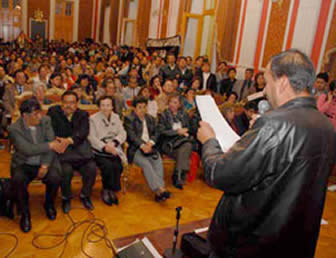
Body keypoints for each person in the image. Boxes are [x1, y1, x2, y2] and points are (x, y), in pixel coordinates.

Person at [197, 49, 336, 258]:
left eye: (268, 82)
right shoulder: (326, 126)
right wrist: (259, 134)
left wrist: (209, 141)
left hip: (253, 241)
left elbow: (220, 174)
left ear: (282, 83)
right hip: (293, 241)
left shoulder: (274, 125)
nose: (264, 91)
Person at [8, 98, 63, 232]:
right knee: (18, 180)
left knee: (55, 177)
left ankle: (49, 204)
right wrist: (49, 145)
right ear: (25, 116)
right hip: (24, 162)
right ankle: (25, 213)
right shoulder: (14, 128)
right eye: (35, 114)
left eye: (40, 112)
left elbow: (53, 148)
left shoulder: (46, 121)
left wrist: (44, 165)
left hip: (45, 160)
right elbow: (27, 149)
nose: (40, 116)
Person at [47, 91, 97, 213]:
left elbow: (83, 133)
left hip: (80, 152)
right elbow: (50, 131)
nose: (68, 106)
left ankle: (85, 195)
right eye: (66, 102)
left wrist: (68, 140)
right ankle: (66, 198)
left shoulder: (83, 114)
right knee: (66, 171)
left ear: (77, 104)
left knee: (91, 168)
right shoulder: (53, 112)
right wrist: (63, 140)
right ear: (61, 103)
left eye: (72, 103)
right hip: (62, 152)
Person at [124, 97, 170, 202]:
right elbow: (132, 136)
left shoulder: (151, 119)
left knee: (157, 161)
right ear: (134, 109)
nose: (142, 110)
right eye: (139, 107)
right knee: (146, 164)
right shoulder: (129, 119)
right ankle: (160, 189)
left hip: (150, 147)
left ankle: (159, 191)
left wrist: (150, 143)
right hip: (135, 149)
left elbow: (157, 133)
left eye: (144, 107)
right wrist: (142, 146)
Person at [88, 96, 126, 205]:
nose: (105, 108)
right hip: (99, 149)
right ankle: (106, 190)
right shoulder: (93, 119)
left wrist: (115, 142)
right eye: (103, 105)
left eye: (108, 105)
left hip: (113, 146)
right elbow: (91, 138)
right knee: (107, 165)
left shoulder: (116, 117)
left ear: (112, 106)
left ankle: (112, 190)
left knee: (117, 165)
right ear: (99, 107)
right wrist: (105, 147)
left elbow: (122, 133)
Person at [158, 94, 193, 189]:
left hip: (181, 142)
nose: (172, 105)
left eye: (175, 102)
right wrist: (177, 132)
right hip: (168, 143)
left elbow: (188, 128)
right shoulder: (164, 114)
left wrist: (184, 131)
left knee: (186, 146)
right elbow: (162, 131)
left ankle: (177, 175)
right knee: (187, 146)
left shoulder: (184, 114)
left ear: (179, 104)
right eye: (170, 102)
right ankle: (179, 174)